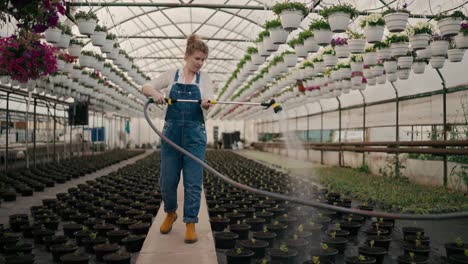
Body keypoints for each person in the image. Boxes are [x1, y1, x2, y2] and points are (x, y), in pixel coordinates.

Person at [142, 34, 214, 243]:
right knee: (168, 180)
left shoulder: (205, 79)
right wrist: (155, 94)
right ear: (187, 56)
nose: (200, 63)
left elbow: (208, 100)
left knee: (193, 182)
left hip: (194, 136)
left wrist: (206, 103)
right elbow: (146, 86)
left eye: (203, 60)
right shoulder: (172, 75)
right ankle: (170, 212)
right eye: (197, 59)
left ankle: (190, 222)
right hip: (171, 136)